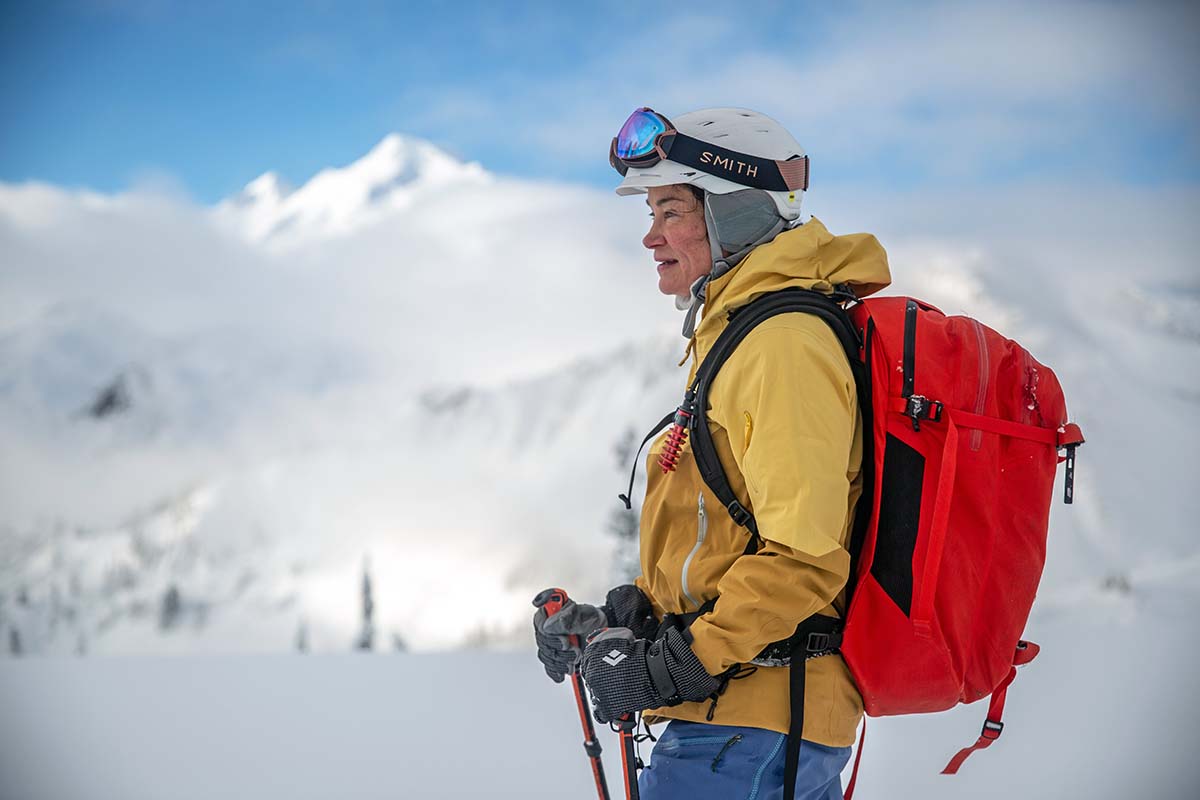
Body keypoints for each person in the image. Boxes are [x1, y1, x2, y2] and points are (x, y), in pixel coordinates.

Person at [533, 107, 892, 800]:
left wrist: (667, 668)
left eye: (671, 209)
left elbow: (804, 561)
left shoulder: (783, 344)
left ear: (736, 211)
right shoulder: (742, 336)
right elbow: (733, 540)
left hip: (751, 727)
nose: (650, 235)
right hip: (736, 724)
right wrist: (627, 621)